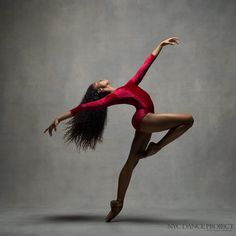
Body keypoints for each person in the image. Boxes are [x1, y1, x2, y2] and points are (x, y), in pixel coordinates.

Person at [44, 37, 194, 222]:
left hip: (144, 121)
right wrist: (59, 118)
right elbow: (82, 108)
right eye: (97, 82)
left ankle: (118, 203)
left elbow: (146, 65)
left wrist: (160, 45)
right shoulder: (111, 97)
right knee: (188, 120)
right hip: (145, 119)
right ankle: (157, 147)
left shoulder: (129, 85)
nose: (100, 79)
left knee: (132, 161)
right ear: (100, 90)